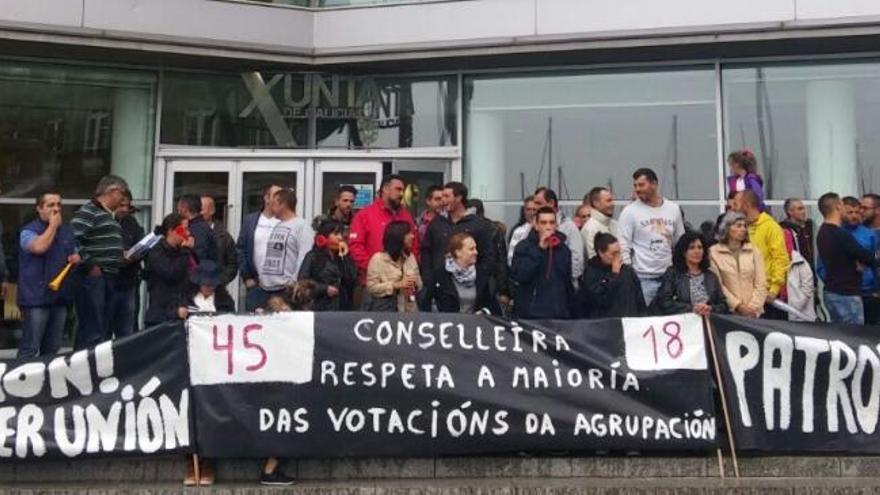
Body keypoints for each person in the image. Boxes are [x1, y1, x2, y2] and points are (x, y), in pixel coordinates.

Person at [16, 191, 80, 358]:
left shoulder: (67, 231)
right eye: (51, 205)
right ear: (39, 208)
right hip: (36, 298)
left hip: (60, 298)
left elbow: (76, 252)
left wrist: (77, 257)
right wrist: (52, 226)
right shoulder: (28, 231)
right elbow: (38, 247)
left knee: (52, 349)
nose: (56, 209)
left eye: (59, 205)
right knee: (30, 348)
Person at [71, 175, 130, 349]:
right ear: (112, 191)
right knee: (92, 327)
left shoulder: (107, 214)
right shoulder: (89, 210)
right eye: (122, 194)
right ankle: (84, 367)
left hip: (109, 276)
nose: (122, 199)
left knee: (102, 327)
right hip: (94, 278)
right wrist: (90, 264)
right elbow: (72, 239)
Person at [421, 182, 498, 313]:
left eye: (446, 196)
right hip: (441, 289)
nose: (442, 201)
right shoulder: (436, 223)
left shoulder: (478, 225)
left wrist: (481, 280)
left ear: (459, 198)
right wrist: (429, 278)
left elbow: (488, 255)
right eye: (441, 197)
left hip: (470, 289)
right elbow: (426, 251)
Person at [618, 168, 686, 307]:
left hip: (669, 277)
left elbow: (680, 241)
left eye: (641, 185)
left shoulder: (673, 209)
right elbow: (623, 244)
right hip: (643, 278)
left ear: (654, 184)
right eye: (635, 185)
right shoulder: (629, 211)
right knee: (646, 319)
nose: (637, 189)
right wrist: (629, 275)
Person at [816, 193, 879, 325]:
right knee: (854, 338)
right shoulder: (840, 234)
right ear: (838, 207)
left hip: (832, 292)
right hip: (846, 294)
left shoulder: (822, 232)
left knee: (840, 336)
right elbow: (865, 255)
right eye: (845, 208)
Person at [349, 174, 419, 285]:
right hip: (375, 283)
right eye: (398, 189)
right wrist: (375, 269)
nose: (401, 194)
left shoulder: (406, 216)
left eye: (403, 190)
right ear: (385, 189)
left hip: (403, 283)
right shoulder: (364, 215)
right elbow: (356, 247)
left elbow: (414, 246)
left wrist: (411, 270)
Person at [510, 206, 574, 319]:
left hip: (558, 314)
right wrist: (539, 249)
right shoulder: (524, 247)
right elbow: (520, 275)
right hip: (531, 314)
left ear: (556, 225)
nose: (548, 226)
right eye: (543, 223)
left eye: (551, 222)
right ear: (536, 225)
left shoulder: (563, 250)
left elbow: (567, 283)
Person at [255, 188, 314, 308]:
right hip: (265, 288)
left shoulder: (302, 227)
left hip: (285, 290)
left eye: (274, 204)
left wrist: (294, 282)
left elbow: (305, 256)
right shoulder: (278, 225)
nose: (270, 208)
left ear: (283, 204)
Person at [737, 190, 790, 319]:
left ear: (746, 205)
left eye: (736, 204)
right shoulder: (740, 229)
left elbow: (781, 259)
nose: (732, 208)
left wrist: (773, 290)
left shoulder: (771, 227)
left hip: (767, 297)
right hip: (746, 297)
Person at [708, 212, 768, 318]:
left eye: (745, 226)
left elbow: (761, 283)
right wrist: (738, 306)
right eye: (738, 226)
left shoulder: (754, 251)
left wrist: (753, 308)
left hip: (754, 314)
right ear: (727, 228)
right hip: (728, 313)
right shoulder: (713, 252)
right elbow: (718, 285)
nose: (743, 229)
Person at [654, 231, 727, 317]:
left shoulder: (711, 276)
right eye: (692, 248)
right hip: (682, 323)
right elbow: (664, 302)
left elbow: (723, 305)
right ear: (683, 252)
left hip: (709, 322)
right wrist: (692, 308)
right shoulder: (673, 274)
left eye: (700, 247)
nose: (697, 251)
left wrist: (710, 308)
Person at [237, 183, 284, 312]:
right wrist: (247, 277)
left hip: (280, 286)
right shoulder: (251, 221)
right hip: (256, 284)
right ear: (266, 198)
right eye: (276, 196)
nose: (279, 199)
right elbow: (241, 249)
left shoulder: (285, 221)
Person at [144, 213, 194, 327]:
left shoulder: (181, 251)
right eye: (184, 229)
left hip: (181, 313)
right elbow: (171, 273)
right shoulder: (156, 252)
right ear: (171, 231)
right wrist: (185, 250)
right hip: (160, 317)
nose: (188, 233)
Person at [581, 233, 645, 318]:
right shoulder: (592, 272)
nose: (618, 257)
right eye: (614, 254)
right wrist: (613, 276)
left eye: (619, 252)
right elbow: (598, 300)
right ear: (601, 253)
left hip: (629, 322)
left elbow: (639, 298)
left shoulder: (627, 271)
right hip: (606, 323)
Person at [297, 219, 356, 311]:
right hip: (319, 306)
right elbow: (302, 283)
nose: (340, 238)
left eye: (341, 234)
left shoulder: (342, 257)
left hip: (341, 306)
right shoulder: (313, 257)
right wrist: (324, 289)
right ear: (323, 237)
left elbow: (352, 279)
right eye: (336, 234)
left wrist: (346, 257)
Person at [365, 221, 421, 312]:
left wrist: (415, 282)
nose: (412, 236)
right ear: (398, 237)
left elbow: (420, 285)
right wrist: (396, 285)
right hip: (386, 312)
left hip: (409, 311)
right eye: (408, 234)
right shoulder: (378, 259)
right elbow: (371, 287)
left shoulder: (410, 257)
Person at [533, 187, 584, 287]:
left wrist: (562, 281)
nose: (535, 208)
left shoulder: (569, 227)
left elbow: (577, 261)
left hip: (562, 287)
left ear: (551, 203)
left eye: (538, 203)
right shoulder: (530, 228)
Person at [432, 232, 492, 313]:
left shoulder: (481, 274)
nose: (476, 252)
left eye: (475, 248)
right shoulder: (440, 275)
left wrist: (484, 312)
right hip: (448, 323)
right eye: (471, 249)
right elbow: (430, 304)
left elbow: (490, 304)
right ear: (458, 252)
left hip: (475, 324)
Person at [116, 190, 144, 334]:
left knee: (128, 329)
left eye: (127, 206)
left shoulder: (131, 222)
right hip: (109, 283)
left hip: (129, 281)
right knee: (103, 330)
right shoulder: (104, 221)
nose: (125, 209)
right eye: (121, 205)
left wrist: (134, 254)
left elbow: (141, 244)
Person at [201, 195, 238, 287]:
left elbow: (232, 265)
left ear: (212, 211)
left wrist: (218, 281)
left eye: (201, 209)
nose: (198, 213)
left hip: (216, 290)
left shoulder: (224, 237)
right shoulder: (188, 233)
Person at [177, 194, 216, 264]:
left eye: (179, 208)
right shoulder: (199, 226)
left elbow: (199, 257)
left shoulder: (198, 229)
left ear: (185, 209)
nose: (178, 211)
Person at [779, 198, 815, 271]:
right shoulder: (783, 230)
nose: (804, 212)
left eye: (804, 208)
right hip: (794, 272)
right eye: (800, 209)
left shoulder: (809, 227)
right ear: (790, 211)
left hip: (810, 272)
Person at [581, 186, 618, 259]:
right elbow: (593, 259)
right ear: (596, 203)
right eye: (608, 200)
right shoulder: (590, 228)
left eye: (612, 200)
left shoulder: (615, 224)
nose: (613, 204)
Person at [507, 195, 537, 265]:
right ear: (524, 211)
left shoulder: (545, 230)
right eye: (528, 209)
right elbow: (510, 258)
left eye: (534, 209)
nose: (531, 213)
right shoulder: (518, 231)